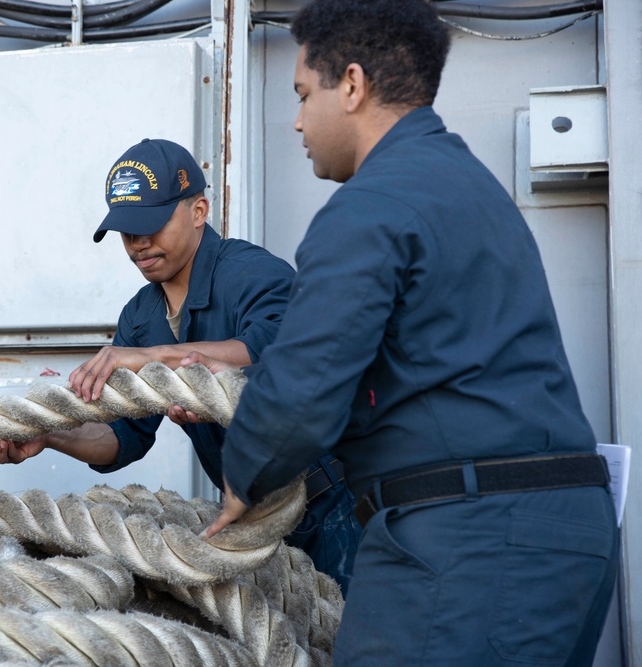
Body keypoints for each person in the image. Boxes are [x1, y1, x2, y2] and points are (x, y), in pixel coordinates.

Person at [190, 0, 619, 665]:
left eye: (304, 94)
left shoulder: (370, 206)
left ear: (353, 86)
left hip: (470, 543)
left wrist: (242, 476)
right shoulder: (468, 188)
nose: (298, 120)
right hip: (558, 535)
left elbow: (301, 392)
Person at [0, 138, 360, 591]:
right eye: (127, 231)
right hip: (253, 525)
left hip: (336, 504)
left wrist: (155, 358)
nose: (140, 243)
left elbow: (283, 353)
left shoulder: (251, 274)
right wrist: (52, 434)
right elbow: (123, 437)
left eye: (152, 224)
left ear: (198, 211)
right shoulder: (140, 318)